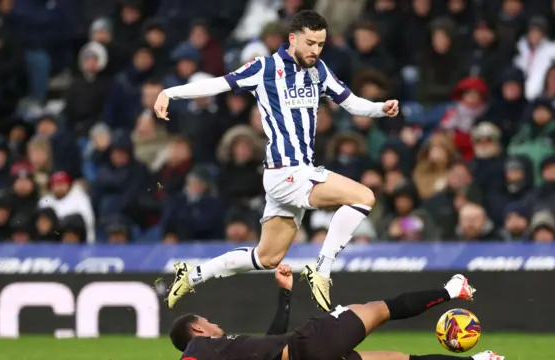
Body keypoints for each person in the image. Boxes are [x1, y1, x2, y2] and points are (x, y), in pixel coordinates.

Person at [154, 10, 400, 312]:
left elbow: (351, 103)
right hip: (287, 172)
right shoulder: (265, 68)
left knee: (266, 257)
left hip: (293, 174)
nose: (315, 50)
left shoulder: (318, 70)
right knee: (364, 197)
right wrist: (170, 92)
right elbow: (219, 84)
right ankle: (321, 271)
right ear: (293, 38)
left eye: (321, 44)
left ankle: (192, 275)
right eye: (310, 43)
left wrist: (380, 108)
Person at [169, 265, 504, 360]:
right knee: (378, 309)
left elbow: (271, 341)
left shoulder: (232, 351)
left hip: (302, 353)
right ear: (196, 331)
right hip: (309, 346)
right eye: (207, 322)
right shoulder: (198, 349)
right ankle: (452, 290)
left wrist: (285, 295)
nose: (214, 323)